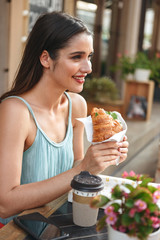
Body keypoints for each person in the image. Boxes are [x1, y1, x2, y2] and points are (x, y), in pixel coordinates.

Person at [0, 11, 128, 225]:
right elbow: (5, 203)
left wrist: (99, 157)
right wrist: (82, 169)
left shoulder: (77, 105)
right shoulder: (15, 111)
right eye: (76, 57)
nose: (88, 68)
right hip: (17, 231)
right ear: (46, 58)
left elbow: (75, 167)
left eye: (89, 56)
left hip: (58, 224)